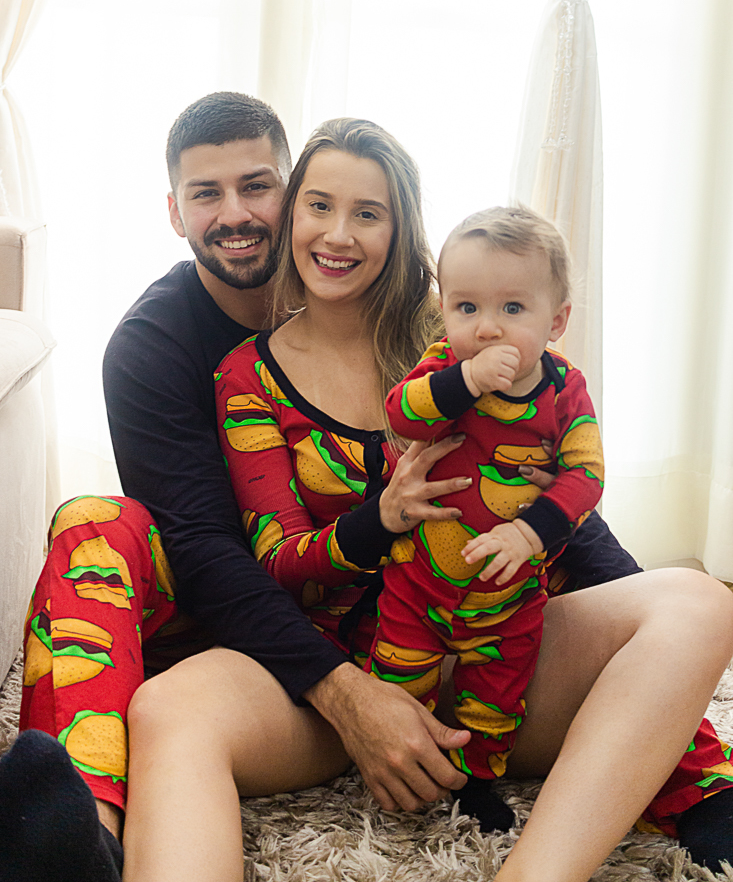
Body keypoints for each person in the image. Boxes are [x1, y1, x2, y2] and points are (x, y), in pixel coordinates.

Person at [2, 98, 731, 882]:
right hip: (307, 663)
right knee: (156, 677)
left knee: (690, 602)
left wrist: (669, 706)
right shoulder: (199, 359)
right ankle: (84, 837)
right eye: (207, 193)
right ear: (175, 210)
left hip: (480, 653)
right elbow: (215, 551)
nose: (242, 214)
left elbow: (552, 495)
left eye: (260, 187)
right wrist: (350, 691)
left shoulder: (449, 332)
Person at [368, 206, 603, 831]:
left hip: (509, 600)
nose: (487, 329)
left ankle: (476, 784)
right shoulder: (444, 365)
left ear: (556, 322)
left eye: (513, 310)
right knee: (397, 681)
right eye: (467, 307)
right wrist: (465, 380)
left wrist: (530, 533)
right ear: (444, 310)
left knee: (498, 693)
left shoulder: (565, 388)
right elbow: (403, 414)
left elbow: (587, 475)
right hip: (418, 587)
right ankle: (405, 768)